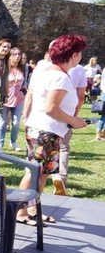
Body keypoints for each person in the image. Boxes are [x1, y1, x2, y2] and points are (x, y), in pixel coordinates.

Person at [16, 34, 88, 225]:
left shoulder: (49, 72)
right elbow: (51, 108)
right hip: (45, 131)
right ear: (73, 55)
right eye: (80, 53)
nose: (81, 56)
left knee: (42, 173)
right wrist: (73, 121)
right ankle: (20, 212)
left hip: (45, 130)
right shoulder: (59, 77)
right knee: (34, 173)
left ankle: (32, 209)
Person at [50, 57, 87, 195]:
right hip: (66, 113)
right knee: (63, 147)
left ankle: (33, 173)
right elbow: (81, 95)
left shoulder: (45, 67)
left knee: (43, 150)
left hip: (45, 117)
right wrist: (73, 117)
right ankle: (60, 176)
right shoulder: (79, 70)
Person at [0, 47, 25, 151]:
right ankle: (0, 143)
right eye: (15, 54)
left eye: (19, 54)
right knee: (3, 123)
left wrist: (25, 89)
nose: (17, 56)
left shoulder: (23, 68)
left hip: (19, 99)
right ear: (10, 56)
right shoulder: (5, 68)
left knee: (16, 123)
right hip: (6, 98)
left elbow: (25, 81)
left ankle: (13, 142)